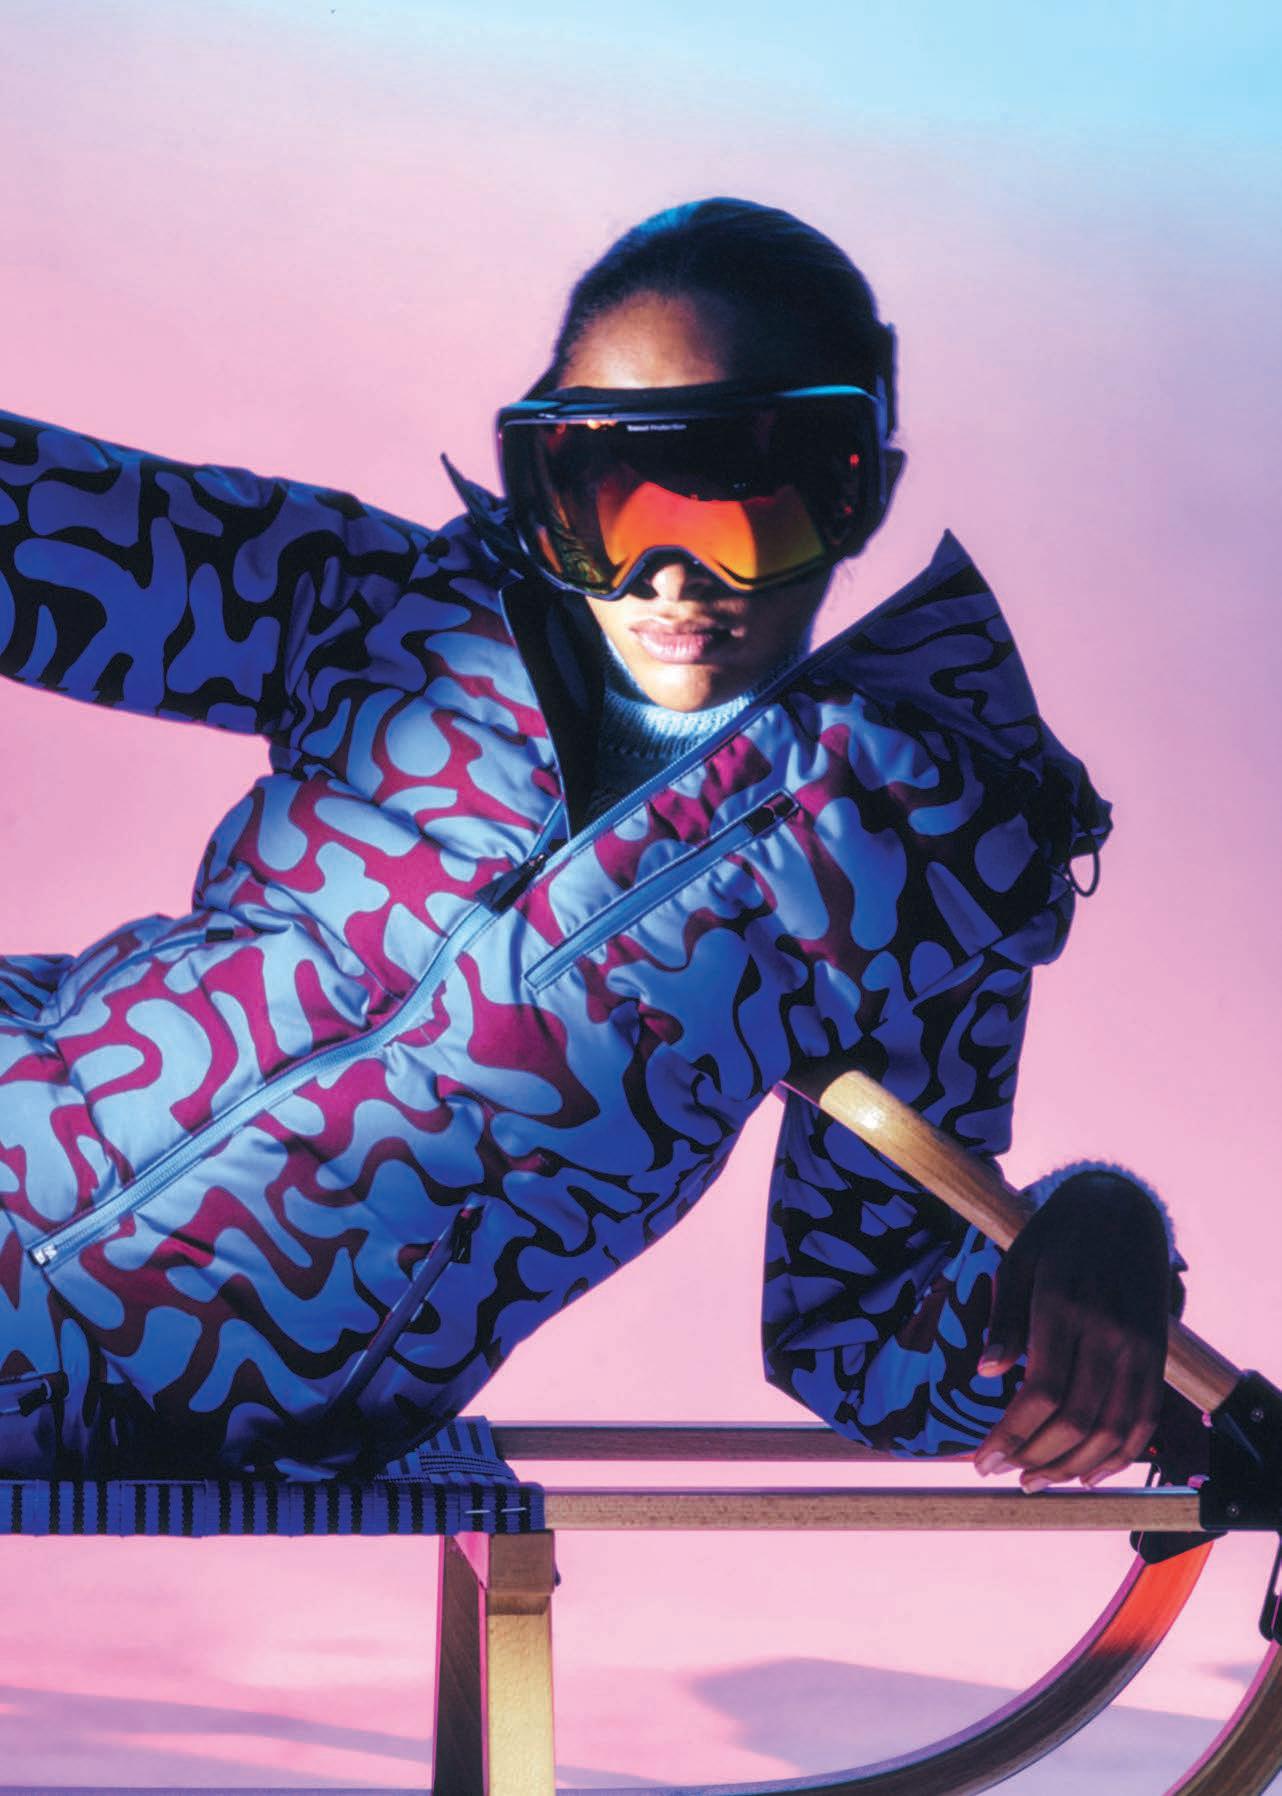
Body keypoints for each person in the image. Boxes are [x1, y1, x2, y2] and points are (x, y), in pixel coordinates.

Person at [0, 197, 1184, 1488]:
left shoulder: (909, 869)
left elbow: (863, 1340)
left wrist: (1091, 1243)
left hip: (146, 1404)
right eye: (611, 498)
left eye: (745, 501)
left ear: (858, 489)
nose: (670, 579)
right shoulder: (390, 614)